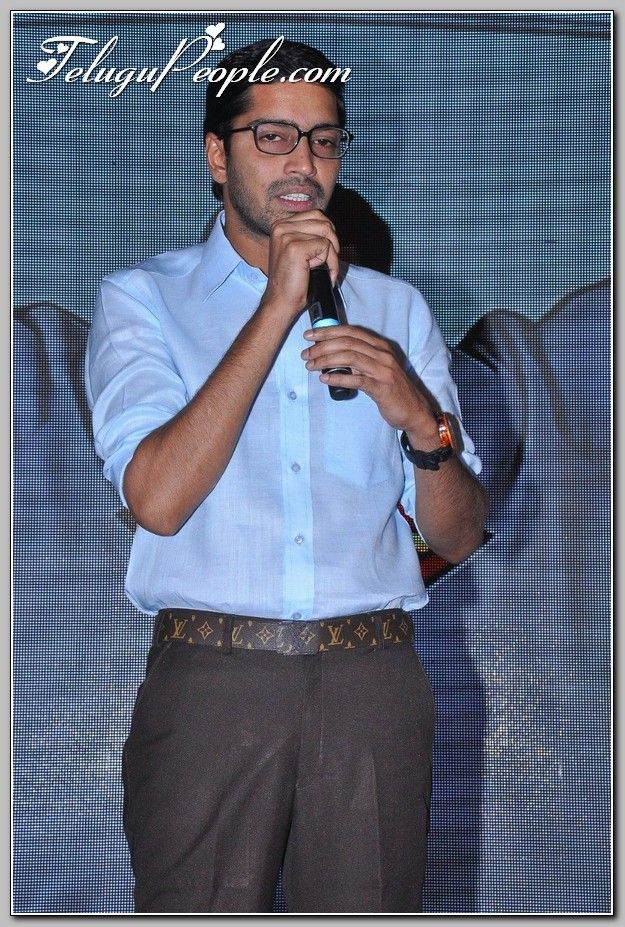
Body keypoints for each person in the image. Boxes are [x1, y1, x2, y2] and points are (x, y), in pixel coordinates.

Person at [85, 39, 488, 914]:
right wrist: (277, 301)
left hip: (372, 683)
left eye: (324, 140)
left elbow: (457, 534)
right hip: (211, 681)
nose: (303, 162)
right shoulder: (141, 300)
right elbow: (157, 499)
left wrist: (420, 423)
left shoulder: (396, 310)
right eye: (272, 136)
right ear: (216, 153)